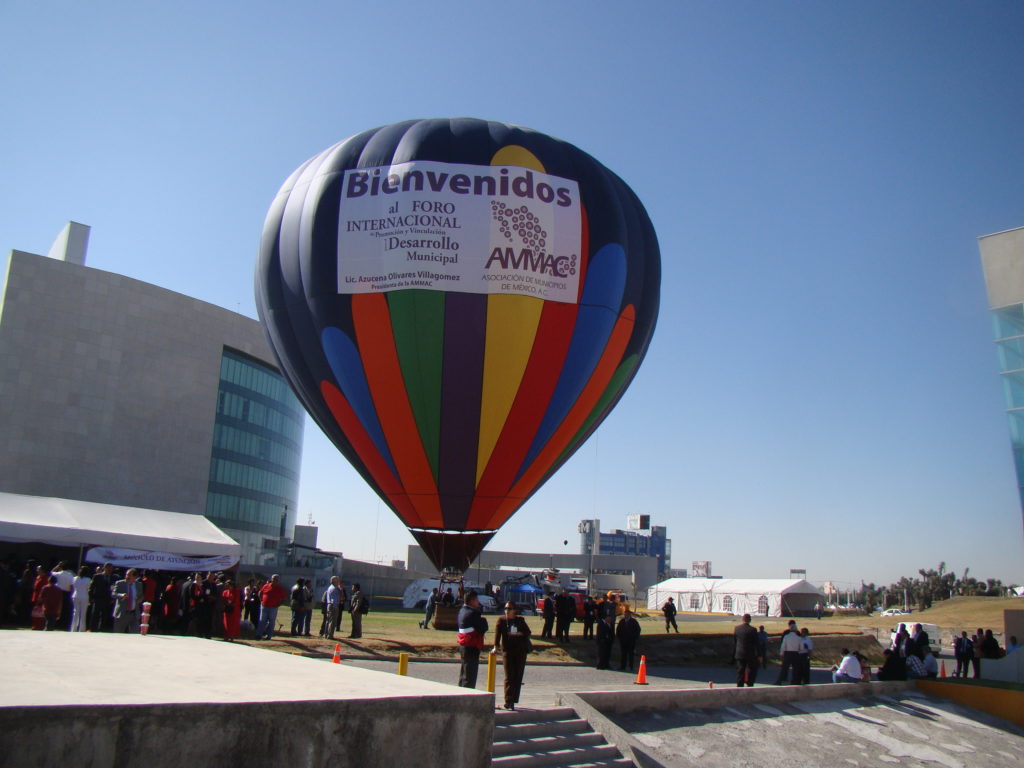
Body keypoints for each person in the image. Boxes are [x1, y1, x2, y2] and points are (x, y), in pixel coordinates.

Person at [493, 601, 532, 710]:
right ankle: (508, 701)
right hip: (507, 651)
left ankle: (514, 699)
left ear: (514, 610)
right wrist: (496, 646)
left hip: (520, 651)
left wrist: (519, 633)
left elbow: (527, 632)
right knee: (509, 676)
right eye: (505, 608)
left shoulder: (520, 620)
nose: (507, 611)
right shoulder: (501, 620)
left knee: (517, 676)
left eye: (509, 609)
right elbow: (497, 635)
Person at [456, 590, 488, 688]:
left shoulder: (461, 611)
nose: (478, 602)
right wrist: (483, 620)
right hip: (471, 646)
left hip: (463, 645)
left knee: (463, 672)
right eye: (477, 600)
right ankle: (468, 694)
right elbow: (483, 627)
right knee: (470, 675)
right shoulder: (473, 613)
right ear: (472, 601)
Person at [256, 574, 287, 640]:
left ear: (278, 581)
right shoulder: (266, 586)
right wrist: (261, 600)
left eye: (276, 579)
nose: (275, 580)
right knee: (262, 621)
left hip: (273, 608)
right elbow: (260, 593)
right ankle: (259, 634)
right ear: (271, 579)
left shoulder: (280, 589)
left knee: (271, 622)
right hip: (264, 606)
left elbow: (284, 598)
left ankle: (269, 636)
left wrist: (278, 604)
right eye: (273, 579)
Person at [112, 568, 143, 633]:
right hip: (122, 613)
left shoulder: (139, 585)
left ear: (135, 577)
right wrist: (121, 595)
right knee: (118, 633)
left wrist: (140, 599)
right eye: (126, 575)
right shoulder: (120, 583)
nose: (127, 577)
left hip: (134, 614)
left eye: (129, 575)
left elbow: (141, 595)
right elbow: (113, 594)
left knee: (135, 634)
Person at [733, 613, 759, 687]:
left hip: (739, 652)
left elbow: (735, 641)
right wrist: (759, 654)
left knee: (740, 670)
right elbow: (756, 643)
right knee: (751, 669)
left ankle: (739, 685)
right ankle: (750, 684)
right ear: (750, 620)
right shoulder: (753, 630)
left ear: (742, 619)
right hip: (750, 653)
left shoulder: (737, 628)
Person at [88, 563, 114, 632]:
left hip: (107, 599)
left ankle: (102, 629)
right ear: (104, 568)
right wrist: (91, 598)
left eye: (111, 568)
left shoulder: (113, 577)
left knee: (105, 615)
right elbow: (91, 588)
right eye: (108, 568)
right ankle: (93, 629)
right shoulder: (97, 576)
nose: (109, 570)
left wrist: (112, 598)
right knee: (95, 615)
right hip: (98, 598)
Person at [51, 561, 75, 630]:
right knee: (65, 609)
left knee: (57, 608)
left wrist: (57, 566)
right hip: (67, 593)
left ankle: (56, 624)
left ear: (61, 568)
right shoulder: (70, 575)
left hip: (58, 592)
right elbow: (71, 586)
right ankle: (64, 624)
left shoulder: (58, 574)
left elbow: (51, 572)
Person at [70, 565, 92, 632]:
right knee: (83, 613)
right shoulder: (88, 579)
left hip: (76, 595)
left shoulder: (75, 578)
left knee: (75, 612)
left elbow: (72, 587)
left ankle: (73, 629)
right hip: (84, 596)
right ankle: (81, 629)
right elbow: (89, 588)